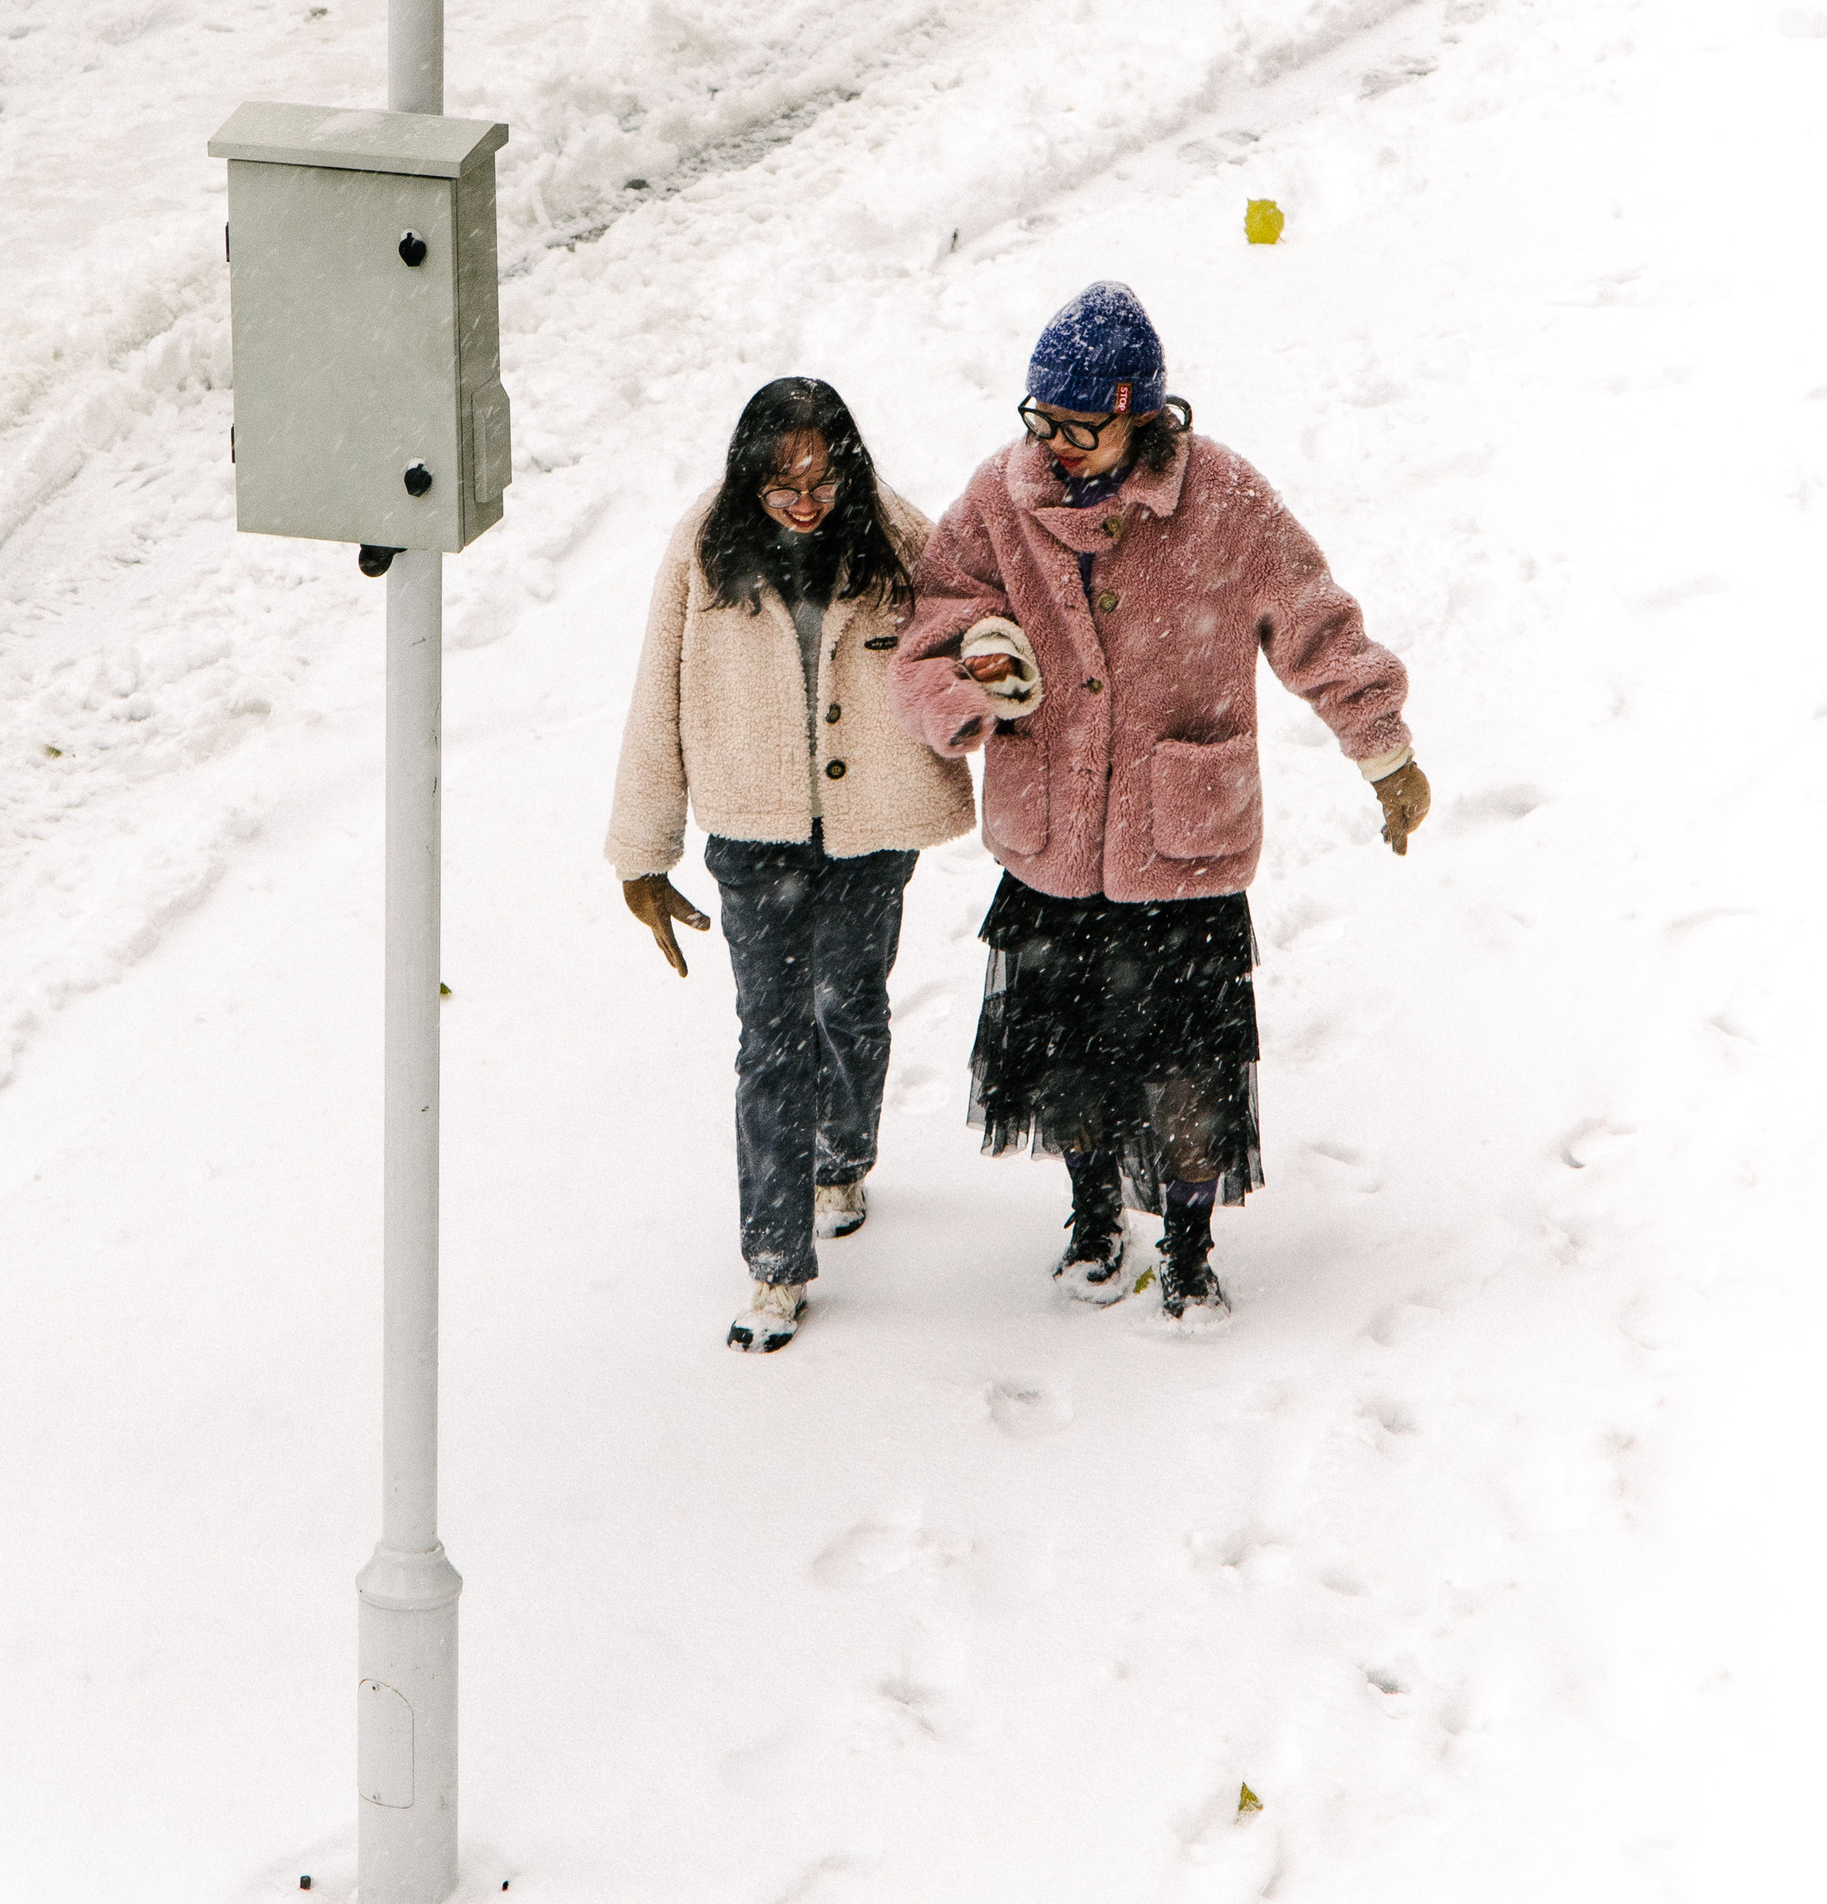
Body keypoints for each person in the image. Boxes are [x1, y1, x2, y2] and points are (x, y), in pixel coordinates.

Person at [890, 284, 1429, 1329]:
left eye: (1079, 426)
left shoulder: (1223, 498)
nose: (1056, 446)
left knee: (1189, 1068)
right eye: (1040, 421)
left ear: (1141, 412)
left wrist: (1384, 747)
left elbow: (1314, 622)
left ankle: (1186, 1245)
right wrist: (968, 687)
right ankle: (1092, 1216)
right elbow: (928, 624)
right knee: (1069, 1061)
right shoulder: (999, 500)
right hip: (1050, 844)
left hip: (1180, 844)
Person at [608, 378, 974, 1352]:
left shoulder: (903, 540)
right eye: (780, 480)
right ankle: (773, 1264)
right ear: (749, 475)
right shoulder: (702, 547)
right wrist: (644, 850)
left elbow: (969, 650)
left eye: (819, 477)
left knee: (848, 1000)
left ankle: (842, 1154)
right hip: (753, 830)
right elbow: (657, 696)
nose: (803, 500)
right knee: (769, 1037)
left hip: (871, 826)